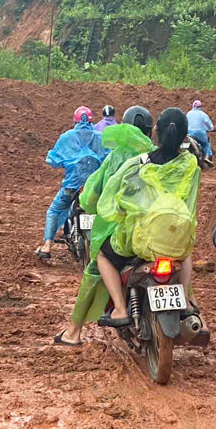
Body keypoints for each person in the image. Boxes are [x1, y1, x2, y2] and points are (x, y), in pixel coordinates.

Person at [53, 106, 154, 346]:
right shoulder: (157, 155)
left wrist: (90, 204)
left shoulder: (116, 157)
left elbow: (91, 196)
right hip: (154, 232)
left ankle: (74, 332)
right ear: (150, 131)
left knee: (93, 271)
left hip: (120, 233)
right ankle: (193, 311)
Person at [95, 107, 201, 328]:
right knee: (185, 251)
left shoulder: (139, 163)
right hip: (175, 235)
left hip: (141, 239)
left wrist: (121, 212)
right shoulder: (191, 165)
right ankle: (188, 304)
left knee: (103, 257)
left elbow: (114, 195)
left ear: (155, 132)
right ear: (184, 137)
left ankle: (120, 309)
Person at [36, 107, 105, 262]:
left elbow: (53, 159)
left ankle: (47, 245)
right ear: (92, 120)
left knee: (54, 211)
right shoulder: (101, 137)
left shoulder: (67, 137)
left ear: (75, 121)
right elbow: (109, 158)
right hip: (96, 189)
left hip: (72, 188)